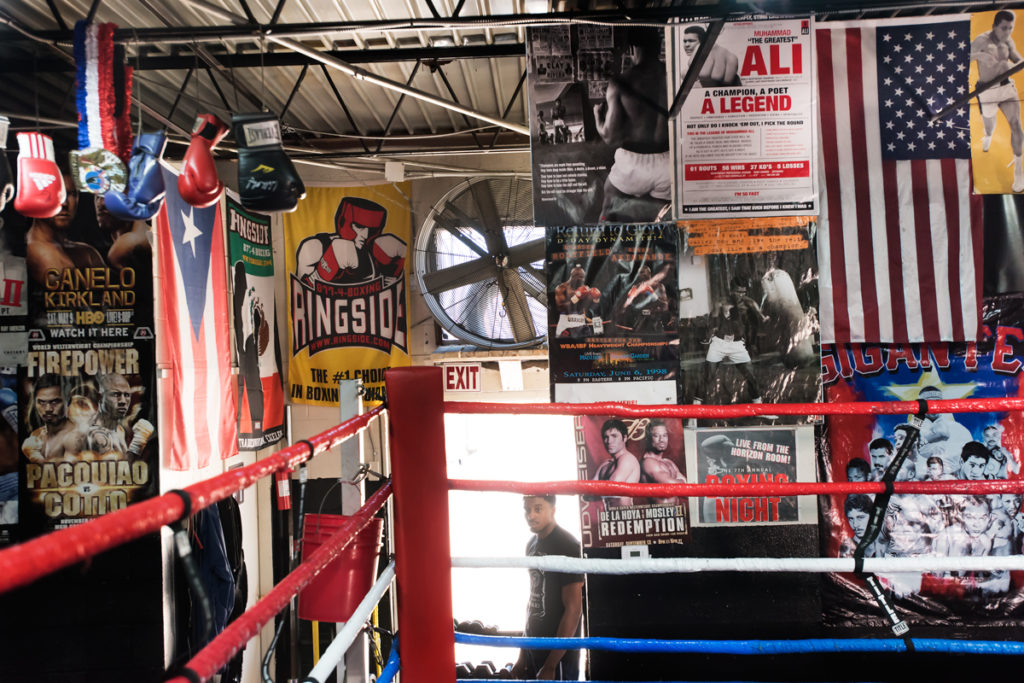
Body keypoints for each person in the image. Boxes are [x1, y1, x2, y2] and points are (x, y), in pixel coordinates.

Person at [593, 27, 671, 222]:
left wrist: (597, 117)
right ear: (659, 46)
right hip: (668, 162)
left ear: (632, 48)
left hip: (633, 164)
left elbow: (610, 137)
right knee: (659, 219)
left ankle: (603, 246)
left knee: (609, 201)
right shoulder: (675, 77)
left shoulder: (621, 82)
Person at [513, 495, 583, 681]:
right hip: (534, 647)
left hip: (558, 655)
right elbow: (533, 601)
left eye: (538, 509)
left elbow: (574, 610)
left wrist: (551, 664)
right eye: (527, 510)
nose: (531, 516)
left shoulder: (568, 546)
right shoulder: (531, 545)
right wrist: (522, 654)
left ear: (553, 509)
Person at [295, 196, 405, 287]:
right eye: (359, 226)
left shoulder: (378, 251)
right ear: (343, 221)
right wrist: (318, 276)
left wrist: (394, 279)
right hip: (327, 310)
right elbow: (302, 292)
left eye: (371, 230)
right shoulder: (316, 247)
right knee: (340, 247)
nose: (365, 235)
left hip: (366, 312)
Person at [970, 10, 1024, 192]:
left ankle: (1018, 170)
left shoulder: (1008, 41)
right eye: (1004, 28)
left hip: (1006, 88)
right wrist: (980, 56)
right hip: (987, 90)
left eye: (1010, 28)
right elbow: (962, 57)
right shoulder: (981, 40)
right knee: (989, 125)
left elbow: (1018, 60)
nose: (1007, 32)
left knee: (1016, 124)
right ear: (994, 26)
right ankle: (988, 135)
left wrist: (1013, 65)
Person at [693, 276, 768, 408]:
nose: (741, 295)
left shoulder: (748, 303)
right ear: (731, 290)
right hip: (719, 343)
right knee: (708, 376)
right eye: (738, 291)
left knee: (750, 376)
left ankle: (759, 407)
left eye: (743, 292)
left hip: (737, 344)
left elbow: (761, 316)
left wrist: (764, 318)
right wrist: (710, 331)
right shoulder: (721, 302)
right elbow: (713, 321)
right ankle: (694, 410)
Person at [25, 171, 105, 294]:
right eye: (54, 193)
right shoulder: (38, 252)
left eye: (72, 194)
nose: (65, 203)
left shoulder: (87, 252)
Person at [917, 386, 972, 479]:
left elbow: (970, 459)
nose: (934, 406)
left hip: (952, 482)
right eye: (929, 403)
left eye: (937, 402)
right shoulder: (909, 430)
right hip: (918, 484)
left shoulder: (958, 428)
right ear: (921, 404)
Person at [21, 373, 70, 464]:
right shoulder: (36, 435)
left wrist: (34, 456)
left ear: (67, 401)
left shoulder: (79, 435)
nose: (48, 409)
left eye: (55, 402)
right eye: (42, 402)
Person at [594, 418, 640, 507]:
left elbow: (611, 489)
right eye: (606, 437)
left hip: (625, 518)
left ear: (625, 438)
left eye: (614, 436)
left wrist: (595, 489)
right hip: (609, 517)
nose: (609, 441)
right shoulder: (605, 464)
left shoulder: (628, 459)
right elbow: (587, 494)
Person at [639, 419, 685, 504]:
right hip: (661, 514)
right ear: (648, 438)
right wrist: (680, 482)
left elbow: (686, 491)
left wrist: (679, 483)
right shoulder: (648, 463)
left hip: (676, 514)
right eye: (656, 436)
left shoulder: (668, 462)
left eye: (664, 435)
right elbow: (673, 486)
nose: (662, 440)